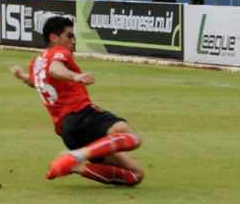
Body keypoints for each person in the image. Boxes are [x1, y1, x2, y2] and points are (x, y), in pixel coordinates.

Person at [9, 17, 144, 186]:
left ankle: (75, 166)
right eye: (69, 36)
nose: (74, 42)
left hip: (69, 133)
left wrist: (22, 76)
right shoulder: (59, 51)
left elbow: (33, 82)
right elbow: (55, 69)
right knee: (133, 137)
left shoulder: (36, 64)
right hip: (81, 116)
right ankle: (74, 156)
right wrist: (76, 76)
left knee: (136, 175)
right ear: (54, 38)